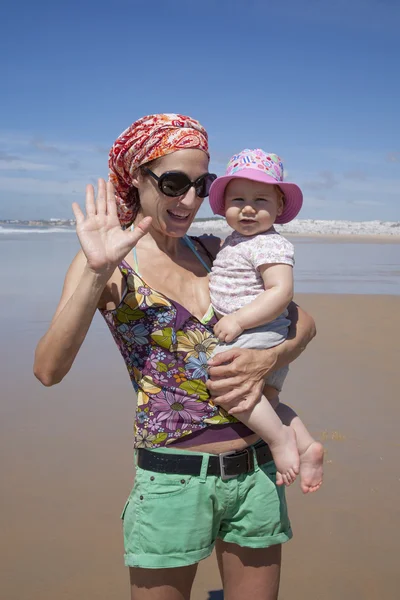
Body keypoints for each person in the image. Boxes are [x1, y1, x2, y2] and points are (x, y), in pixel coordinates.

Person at [34, 114, 317, 600]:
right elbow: (48, 370)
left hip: (257, 470)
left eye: (199, 184)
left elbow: (303, 321)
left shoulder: (216, 250)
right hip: (171, 481)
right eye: (173, 183)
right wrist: (97, 273)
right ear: (136, 179)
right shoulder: (108, 262)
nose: (188, 199)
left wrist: (269, 360)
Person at [208, 148, 324, 490]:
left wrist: (239, 321)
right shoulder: (236, 241)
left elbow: (280, 292)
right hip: (257, 332)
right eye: (238, 199)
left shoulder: (269, 245)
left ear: (278, 208)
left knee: (228, 387)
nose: (248, 208)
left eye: (260, 200)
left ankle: (279, 441)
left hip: (257, 333)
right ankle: (306, 445)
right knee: (267, 401)